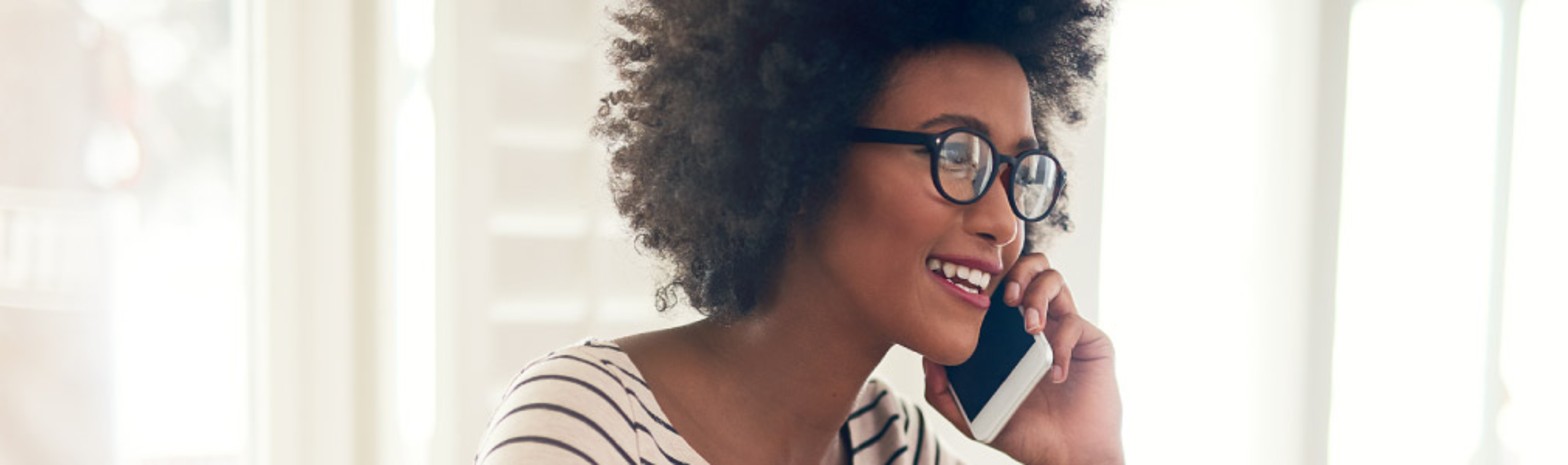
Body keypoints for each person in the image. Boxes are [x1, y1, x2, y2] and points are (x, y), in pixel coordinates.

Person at [475, 0, 1121, 463]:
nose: (1005, 223)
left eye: (1019, 173)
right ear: (802, 154)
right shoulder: (584, 428)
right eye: (956, 155)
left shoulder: (894, 445)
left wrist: (1080, 456)